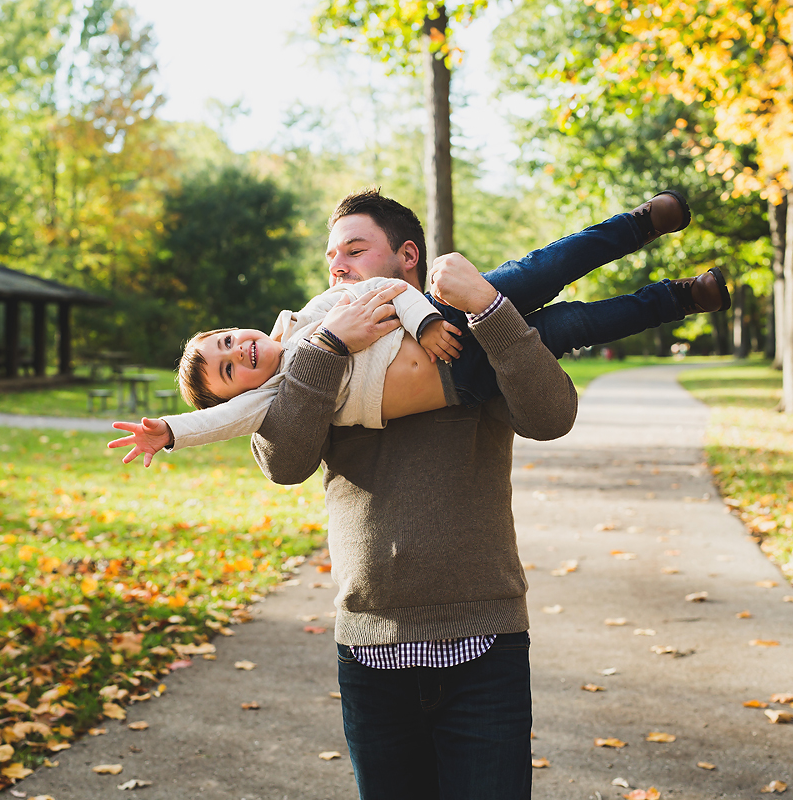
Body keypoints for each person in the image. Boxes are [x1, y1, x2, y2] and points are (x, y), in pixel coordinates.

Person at [110, 188, 722, 800]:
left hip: (485, 638)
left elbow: (551, 415)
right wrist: (326, 348)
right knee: (572, 317)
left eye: (354, 249)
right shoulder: (305, 357)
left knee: (563, 292)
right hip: (372, 650)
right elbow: (284, 461)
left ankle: (661, 262)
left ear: (407, 256)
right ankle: (677, 291)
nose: (338, 266)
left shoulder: (398, 304)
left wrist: (485, 308)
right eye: (331, 257)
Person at [109, 190, 728, 459]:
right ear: (243, 394)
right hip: (467, 378)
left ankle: (640, 223)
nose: (235, 353)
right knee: (578, 323)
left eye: (225, 341)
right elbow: (222, 421)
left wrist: (429, 321)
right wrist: (168, 431)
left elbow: (382, 289)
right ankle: (677, 298)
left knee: (550, 266)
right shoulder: (278, 401)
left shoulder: (317, 310)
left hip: (449, 318)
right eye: (226, 371)